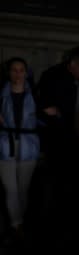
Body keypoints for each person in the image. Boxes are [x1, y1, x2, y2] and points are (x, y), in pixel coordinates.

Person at [0, 57, 40, 238]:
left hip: (28, 145)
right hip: (4, 143)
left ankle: (19, 220)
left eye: (21, 70)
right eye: (14, 70)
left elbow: (39, 118)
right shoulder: (1, 95)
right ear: (9, 72)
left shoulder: (35, 95)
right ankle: (17, 224)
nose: (17, 74)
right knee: (11, 188)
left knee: (23, 187)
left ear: (26, 72)